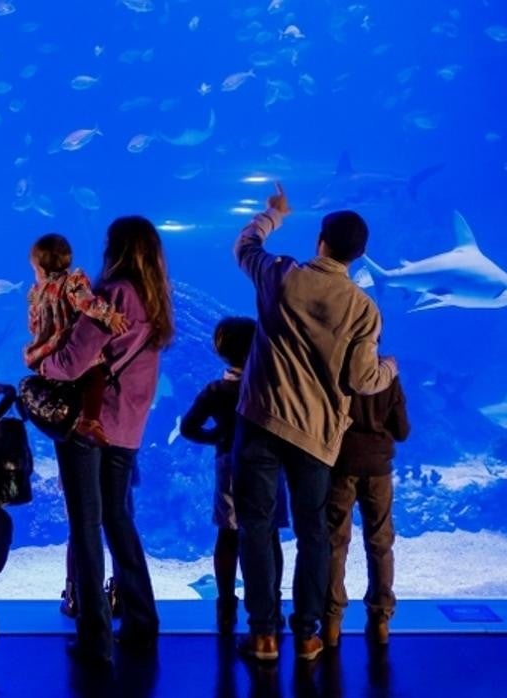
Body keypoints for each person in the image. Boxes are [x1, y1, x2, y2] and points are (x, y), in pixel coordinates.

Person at [230, 183, 397, 663]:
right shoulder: (364, 308)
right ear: (359, 255)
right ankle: (307, 635)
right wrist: (392, 368)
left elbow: (245, 247)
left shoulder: (282, 276)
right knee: (314, 533)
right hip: (317, 435)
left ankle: (263, 635)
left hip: (260, 419)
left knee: (257, 527)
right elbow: (364, 380)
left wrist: (272, 215)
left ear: (320, 241)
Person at [38, 215, 173, 665]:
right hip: (129, 427)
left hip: (90, 425)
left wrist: (42, 367)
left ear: (116, 249)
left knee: (86, 523)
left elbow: (75, 361)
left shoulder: (113, 295)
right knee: (118, 519)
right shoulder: (156, 300)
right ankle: (141, 618)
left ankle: (95, 635)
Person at [179, 317, 289, 635]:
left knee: (228, 535)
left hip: (230, 466)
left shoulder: (216, 389)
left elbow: (188, 427)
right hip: (270, 467)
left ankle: (226, 604)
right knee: (269, 536)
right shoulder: (272, 387)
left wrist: (218, 437)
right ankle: (272, 603)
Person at [324, 374, 409, 648]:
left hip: (340, 464)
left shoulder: (336, 371)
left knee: (335, 543)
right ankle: (380, 619)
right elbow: (402, 430)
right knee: (380, 542)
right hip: (378, 469)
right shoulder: (388, 378)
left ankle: (331, 621)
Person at [25, 233, 129, 446]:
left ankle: (65, 422)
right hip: (71, 349)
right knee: (94, 377)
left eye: (35, 270)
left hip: (48, 354)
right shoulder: (71, 283)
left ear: (42, 270)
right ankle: (90, 421)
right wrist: (109, 315)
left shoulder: (37, 293)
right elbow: (87, 302)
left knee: (59, 387)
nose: (35, 275)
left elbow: (33, 325)